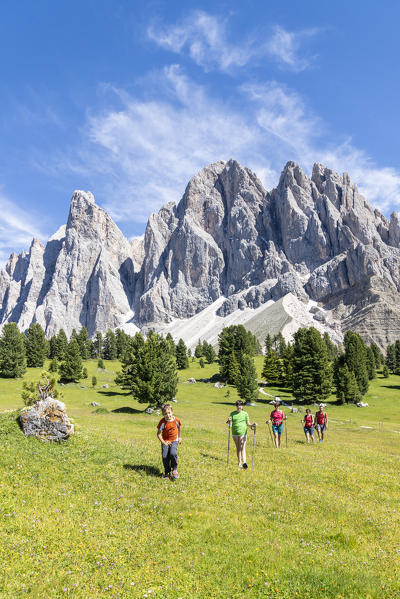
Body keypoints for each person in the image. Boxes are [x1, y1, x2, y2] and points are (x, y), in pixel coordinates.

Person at [227, 400, 257, 469]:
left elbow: (248, 424)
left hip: (243, 433)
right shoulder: (232, 413)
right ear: (236, 406)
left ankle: (244, 462)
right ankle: (239, 462)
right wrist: (229, 421)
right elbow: (229, 425)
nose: (239, 407)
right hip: (235, 433)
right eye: (237, 405)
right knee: (238, 448)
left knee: (242, 446)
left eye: (240, 405)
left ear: (242, 406)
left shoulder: (245, 414)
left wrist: (253, 425)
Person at [157, 404, 182, 479]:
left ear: (172, 412)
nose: (168, 415)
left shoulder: (176, 420)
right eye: (165, 414)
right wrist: (163, 442)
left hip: (174, 440)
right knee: (165, 456)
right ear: (163, 414)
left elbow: (179, 428)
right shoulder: (162, 422)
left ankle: (174, 469)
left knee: (172, 453)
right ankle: (167, 472)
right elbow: (158, 434)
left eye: (169, 413)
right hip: (165, 441)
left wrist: (180, 437)